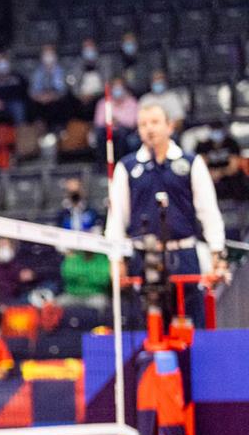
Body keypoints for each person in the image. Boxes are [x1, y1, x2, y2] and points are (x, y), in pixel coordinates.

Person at [105, 96, 227, 324]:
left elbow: (209, 212)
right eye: (143, 124)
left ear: (169, 126)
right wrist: (116, 260)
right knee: (147, 327)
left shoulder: (191, 162)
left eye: (155, 122)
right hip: (143, 257)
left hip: (184, 255)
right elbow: (116, 218)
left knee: (190, 326)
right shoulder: (127, 167)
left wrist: (217, 253)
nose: (149, 129)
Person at [195, 120, 248, 201]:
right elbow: (201, 166)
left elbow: (233, 167)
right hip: (211, 179)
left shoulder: (231, 143)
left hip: (230, 179)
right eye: (214, 129)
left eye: (218, 129)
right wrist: (212, 174)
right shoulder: (203, 146)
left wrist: (220, 173)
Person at [93, 78, 138, 163]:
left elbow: (132, 123)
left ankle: (120, 163)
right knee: (100, 135)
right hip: (107, 131)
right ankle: (102, 165)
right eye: (115, 86)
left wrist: (118, 121)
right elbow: (98, 122)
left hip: (125, 132)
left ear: (125, 88)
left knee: (122, 135)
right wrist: (109, 121)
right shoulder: (103, 102)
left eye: (120, 86)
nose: (117, 89)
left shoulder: (132, 102)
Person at [0, 239, 37, 304]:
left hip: (14, 303)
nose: (4, 249)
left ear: (13, 248)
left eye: (6, 246)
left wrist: (30, 277)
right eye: (1, 246)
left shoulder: (20, 268)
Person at [28, 46, 68, 130]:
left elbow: (63, 90)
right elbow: (32, 90)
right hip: (41, 98)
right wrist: (40, 97)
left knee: (62, 103)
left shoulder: (61, 70)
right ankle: (39, 129)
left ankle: (58, 130)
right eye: (46, 55)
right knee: (33, 106)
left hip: (56, 98)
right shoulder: (37, 71)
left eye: (50, 54)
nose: (48, 57)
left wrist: (52, 96)